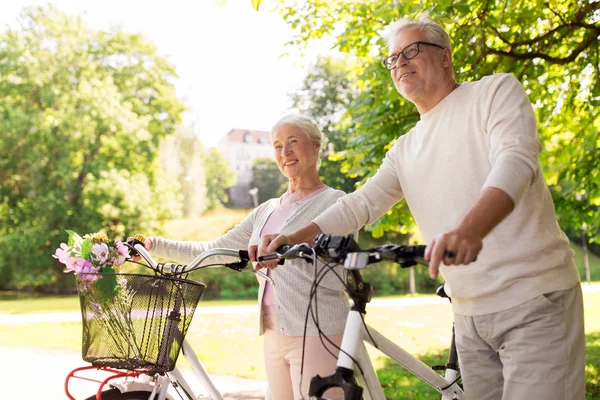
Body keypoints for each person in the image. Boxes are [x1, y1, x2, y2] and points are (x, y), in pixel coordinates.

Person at [259, 16, 585, 400]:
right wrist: (293, 237)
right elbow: (361, 203)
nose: (400, 62)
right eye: (393, 58)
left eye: (412, 51)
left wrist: (471, 229)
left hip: (533, 300)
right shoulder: (405, 148)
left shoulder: (494, 92)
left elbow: (516, 161)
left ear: (445, 57)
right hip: (467, 315)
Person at [135, 114, 347, 400]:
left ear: (316, 147)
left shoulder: (336, 202)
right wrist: (152, 244)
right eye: (277, 146)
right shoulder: (266, 210)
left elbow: (336, 259)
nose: (285, 153)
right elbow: (214, 250)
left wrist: (289, 248)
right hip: (273, 331)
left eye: (293, 143)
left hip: (317, 328)